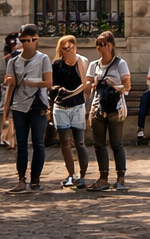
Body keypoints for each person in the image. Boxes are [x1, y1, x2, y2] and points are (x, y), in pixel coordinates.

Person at [1, 23, 53, 193]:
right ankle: (21, 179)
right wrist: (5, 113)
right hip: (19, 105)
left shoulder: (43, 58)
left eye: (31, 39)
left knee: (38, 143)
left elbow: (49, 83)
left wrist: (33, 82)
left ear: (36, 39)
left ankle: (35, 179)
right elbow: (10, 87)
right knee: (21, 144)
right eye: (23, 40)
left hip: (38, 104)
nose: (27, 43)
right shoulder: (13, 61)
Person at [85, 31, 131, 192]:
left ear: (111, 45)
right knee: (98, 144)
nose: (99, 47)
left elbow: (127, 86)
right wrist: (92, 85)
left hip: (115, 107)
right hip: (98, 107)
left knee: (116, 143)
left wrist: (113, 84)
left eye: (102, 44)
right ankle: (103, 178)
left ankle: (120, 178)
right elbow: (88, 85)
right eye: (97, 44)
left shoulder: (120, 64)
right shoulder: (94, 65)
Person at [50, 35, 89, 189]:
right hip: (61, 106)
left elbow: (85, 84)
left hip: (77, 105)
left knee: (80, 142)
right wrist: (57, 91)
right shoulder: (57, 64)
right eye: (65, 48)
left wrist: (73, 94)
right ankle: (71, 174)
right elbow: (51, 86)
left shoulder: (81, 61)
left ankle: (82, 176)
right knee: (65, 143)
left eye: (71, 48)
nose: (69, 51)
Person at [0, 31, 20, 149]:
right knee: (9, 112)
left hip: (20, 89)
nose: (14, 45)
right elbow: (8, 75)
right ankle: (8, 138)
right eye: (12, 42)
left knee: (13, 111)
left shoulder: (23, 54)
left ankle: (10, 138)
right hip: (10, 88)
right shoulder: (9, 56)